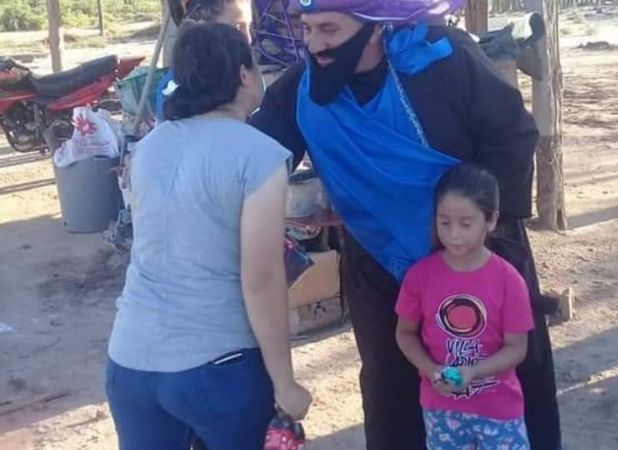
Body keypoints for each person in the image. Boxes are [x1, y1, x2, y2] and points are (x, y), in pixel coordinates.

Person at [249, 1, 563, 449]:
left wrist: (476, 236)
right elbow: (254, 154)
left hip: (480, 259)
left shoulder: (444, 59)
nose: (315, 44)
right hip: (381, 265)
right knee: (393, 390)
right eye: (308, 29)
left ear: (375, 29)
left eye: (329, 30)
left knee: (507, 379)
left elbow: (512, 138)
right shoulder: (303, 87)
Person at [105, 23, 311, 450]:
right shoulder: (259, 155)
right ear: (243, 75)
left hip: (129, 360)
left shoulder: (149, 146)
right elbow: (261, 279)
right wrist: (285, 384)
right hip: (215, 367)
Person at [396, 164, 534, 450]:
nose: (454, 234)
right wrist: (431, 369)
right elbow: (405, 333)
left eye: (466, 223)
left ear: (491, 220)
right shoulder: (420, 276)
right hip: (441, 410)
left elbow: (516, 348)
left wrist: (473, 372)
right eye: (444, 223)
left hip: (499, 409)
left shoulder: (509, 280)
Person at [155, 0, 251, 121]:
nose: (248, 39)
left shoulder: (246, 73)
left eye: (249, 28)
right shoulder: (174, 86)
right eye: (237, 27)